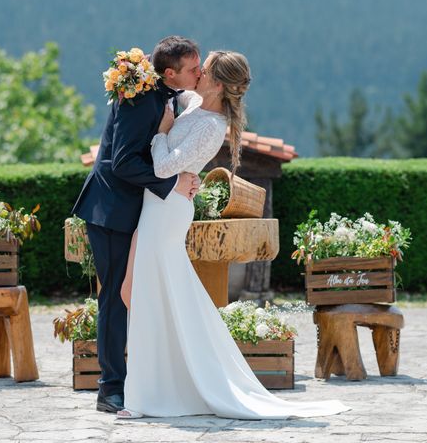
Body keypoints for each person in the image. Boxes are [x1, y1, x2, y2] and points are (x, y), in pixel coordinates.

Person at [117, 50, 350, 419]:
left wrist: (162, 132)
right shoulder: (192, 100)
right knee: (151, 294)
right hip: (156, 206)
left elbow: (163, 166)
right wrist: (135, 73)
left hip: (167, 212)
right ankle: (157, 390)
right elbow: (166, 86)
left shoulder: (212, 127)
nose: (197, 73)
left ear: (218, 83)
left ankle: (146, 397)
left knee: (150, 294)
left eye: (203, 69)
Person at [71, 36, 202, 414]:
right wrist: (172, 183)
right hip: (112, 213)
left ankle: (146, 380)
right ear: (170, 72)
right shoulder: (140, 98)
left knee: (139, 295)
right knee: (115, 296)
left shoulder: (165, 93)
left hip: (140, 211)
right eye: (194, 69)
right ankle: (110, 390)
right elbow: (123, 162)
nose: (200, 73)